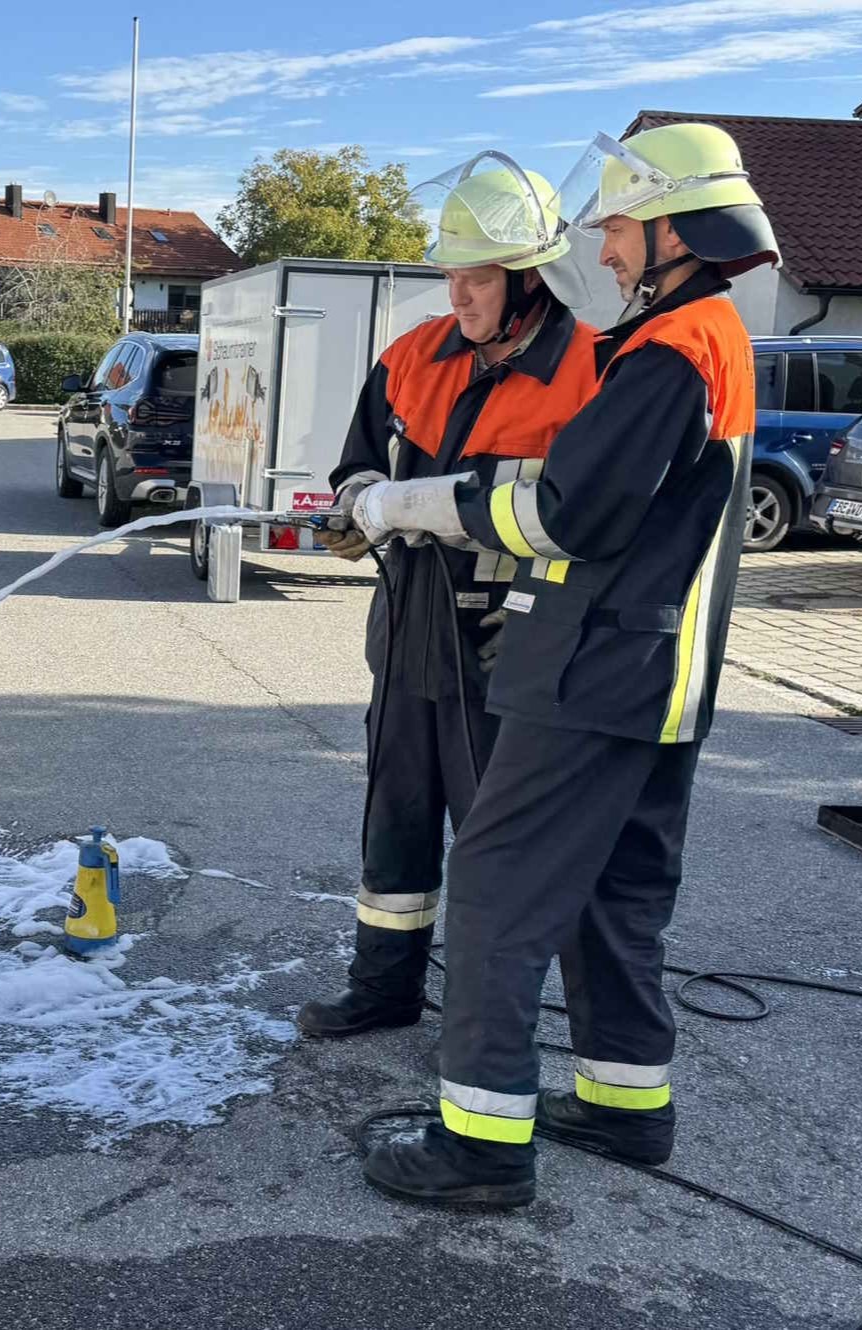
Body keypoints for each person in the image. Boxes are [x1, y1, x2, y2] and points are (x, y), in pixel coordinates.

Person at [351, 122, 778, 1206]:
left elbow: (567, 510)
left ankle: (481, 1147)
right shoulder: (707, 336)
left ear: (679, 227)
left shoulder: (667, 349)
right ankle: (628, 1104)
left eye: (626, 225)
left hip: (593, 668)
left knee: (496, 886)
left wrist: (423, 504)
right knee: (615, 889)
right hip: (662, 671)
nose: (612, 246)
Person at [297, 156, 598, 1040]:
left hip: (512, 638)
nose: (457, 295)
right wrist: (355, 506)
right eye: (450, 274)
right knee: (393, 819)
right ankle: (384, 987)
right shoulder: (410, 357)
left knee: (497, 840)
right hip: (406, 625)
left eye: (477, 278)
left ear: (530, 278)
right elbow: (355, 461)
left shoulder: (588, 369)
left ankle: (483, 1026)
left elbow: (589, 517)